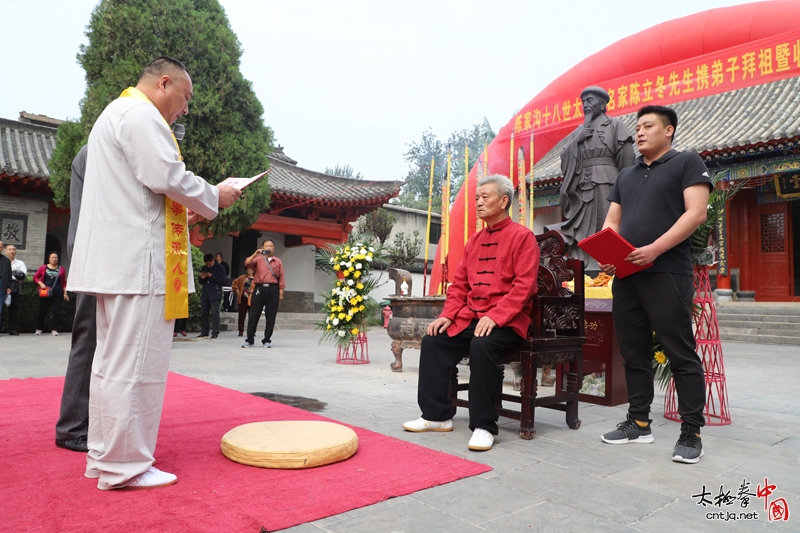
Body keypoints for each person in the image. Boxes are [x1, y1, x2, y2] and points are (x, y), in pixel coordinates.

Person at [68, 56, 241, 490]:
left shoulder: (116, 112)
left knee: (110, 365)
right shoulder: (141, 115)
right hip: (137, 263)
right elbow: (165, 175)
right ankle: (126, 466)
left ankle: (105, 458)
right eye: (184, 98)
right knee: (135, 365)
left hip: (119, 261)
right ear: (163, 83)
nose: (185, 109)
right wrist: (217, 194)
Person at [599, 105, 712, 464]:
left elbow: (696, 212)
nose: (640, 132)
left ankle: (691, 431)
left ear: (669, 131)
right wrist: (606, 250)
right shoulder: (626, 175)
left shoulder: (686, 163)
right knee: (633, 352)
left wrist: (655, 250)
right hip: (627, 276)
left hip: (667, 273)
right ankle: (638, 421)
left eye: (648, 126)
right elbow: (612, 222)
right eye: (638, 127)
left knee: (680, 351)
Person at [402, 175, 539, 452]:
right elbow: (459, 284)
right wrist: (447, 315)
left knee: (482, 345)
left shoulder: (523, 237)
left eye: (485, 197)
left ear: (503, 201)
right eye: (477, 197)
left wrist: (496, 316)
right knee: (434, 340)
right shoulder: (474, 240)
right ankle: (437, 416)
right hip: (472, 316)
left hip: (507, 320)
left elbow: (524, 286)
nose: (478, 202)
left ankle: (484, 426)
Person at [551, 86, 635, 270]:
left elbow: (627, 159)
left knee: (606, 222)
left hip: (607, 183)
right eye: (583, 102)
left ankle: (607, 265)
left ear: (603, 104)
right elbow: (564, 158)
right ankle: (584, 264)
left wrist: (623, 187)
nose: (585, 105)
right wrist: (577, 140)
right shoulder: (578, 131)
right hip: (581, 186)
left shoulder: (615, 125)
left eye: (590, 100)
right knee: (581, 227)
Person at [55, 145, 95, 453]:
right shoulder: (102, 145)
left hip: (94, 254)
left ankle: (85, 422)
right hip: (98, 257)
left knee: (94, 341)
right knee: (89, 339)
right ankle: (72, 428)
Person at [242, 239, 285, 348]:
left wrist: (281, 292)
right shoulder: (258, 259)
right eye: (266, 246)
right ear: (262, 247)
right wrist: (255, 254)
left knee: (271, 316)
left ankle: (267, 340)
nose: (268, 248)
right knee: (253, 315)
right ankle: (250, 339)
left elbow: (281, 278)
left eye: (271, 246)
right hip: (259, 288)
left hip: (273, 289)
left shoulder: (278, 261)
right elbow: (247, 263)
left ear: (274, 248)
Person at [33, 252, 68, 335]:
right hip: (45, 292)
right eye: (52, 257)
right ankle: (39, 328)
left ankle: (55, 329)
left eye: (56, 257)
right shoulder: (43, 267)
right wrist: (40, 283)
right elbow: (35, 277)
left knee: (56, 311)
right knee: (42, 310)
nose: (54, 259)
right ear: (49, 258)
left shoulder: (61, 269)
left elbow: (63, 282)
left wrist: (65, 293)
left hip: (57, 292)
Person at [197, 253, 226, 339]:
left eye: (210, 263)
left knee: (215, 314)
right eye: (207, 263)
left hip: (215, 294)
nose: (208, 265)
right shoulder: (204, 268)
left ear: (213, 260)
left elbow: (223, 280)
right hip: (206, 293)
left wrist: (212, 276)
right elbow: (200, 281)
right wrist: (202, 278)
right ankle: (204, 332)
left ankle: (215, 332)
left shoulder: (220, 268)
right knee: (204, 314)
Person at [4, 244, 27, 336]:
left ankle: (12, 329)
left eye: (13, 249)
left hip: (15, 287)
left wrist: (10, 276)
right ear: (6, 251)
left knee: (14, 309)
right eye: (9, 249)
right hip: (2, 285)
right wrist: (14, 275)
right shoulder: (2, 262)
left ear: (16, 251)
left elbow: (22, 275)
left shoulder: (20, 263)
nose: (11, 251)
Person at [231, 266, 255, 336]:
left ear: (253, 270)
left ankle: (252, 331)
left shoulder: (256, 279)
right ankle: (241, 330)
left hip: (252, 298)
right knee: (242, 315)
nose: (248, 270)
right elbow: (234, 283)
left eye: (250, 269)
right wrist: (237, 290)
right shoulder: (242, 277)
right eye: (247, 269)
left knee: (253, 316)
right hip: (243, 298)